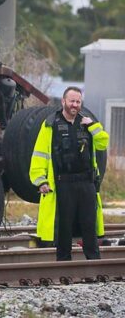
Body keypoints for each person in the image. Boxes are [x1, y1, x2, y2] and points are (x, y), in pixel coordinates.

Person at [29, 86, 109, 260]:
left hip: (86, 183)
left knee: (89, 225)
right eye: (72, 101)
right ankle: (64, 263)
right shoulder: (50, 124)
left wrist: (93, 126)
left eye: (78, 102)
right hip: (63, 184)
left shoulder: (87, 124)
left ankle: (94, 262)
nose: (75, 105)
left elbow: (103, 143)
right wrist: (40, 180)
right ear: (64, 101)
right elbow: (39, 154)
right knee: (64, 227)